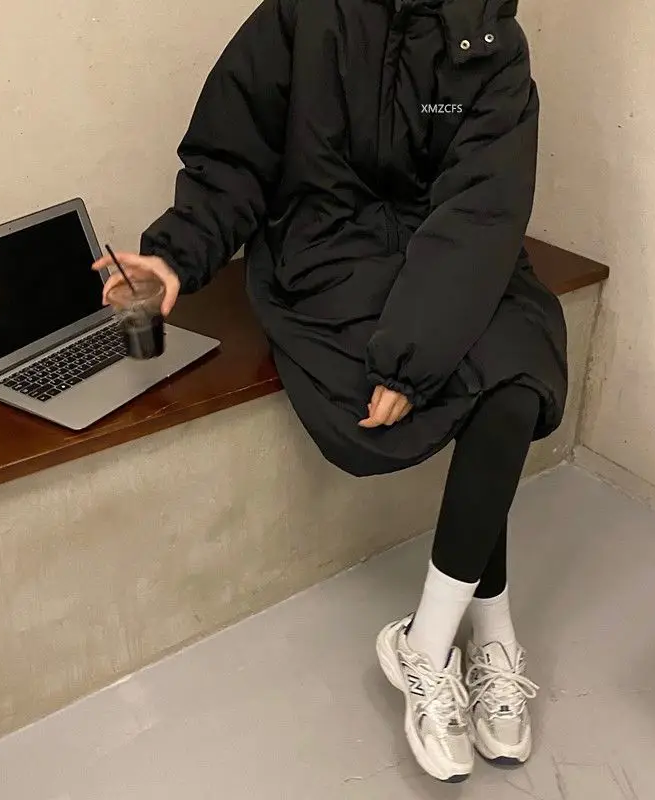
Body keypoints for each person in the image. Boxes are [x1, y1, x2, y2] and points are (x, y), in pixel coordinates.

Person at [94, 0, 567, 784]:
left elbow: (482, 210)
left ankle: (431, 642)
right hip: (326, 252)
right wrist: (176, 255)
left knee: (519, 369)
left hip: (448, 255)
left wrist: (413, 354)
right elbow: (233, 156)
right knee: (484, 371)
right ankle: (488, 630)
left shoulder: (493, 42)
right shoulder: (302, 13)